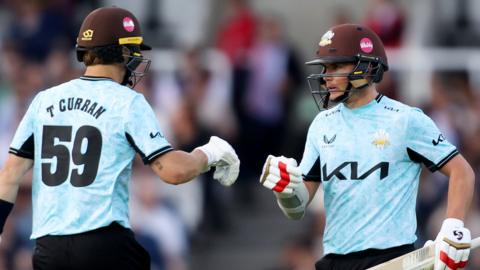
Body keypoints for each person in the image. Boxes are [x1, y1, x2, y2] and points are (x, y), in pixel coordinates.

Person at [0, 6, 240, 270]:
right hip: (104, 244)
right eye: (133, 51)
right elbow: (174, 172)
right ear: (123, 52)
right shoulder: (128, 102)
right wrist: (211, 153)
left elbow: (9, 175)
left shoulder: (43, 100)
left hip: (48, 249)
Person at [260, 23, 475, 270]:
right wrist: (286, 190)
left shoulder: (405, 120)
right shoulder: (321, 125)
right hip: (334, 260)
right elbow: (297, 208)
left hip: (393, 260)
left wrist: (452, 227)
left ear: (368, 66)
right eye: (325, 68)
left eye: (337, 66)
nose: (327, 76)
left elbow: (462, 172)